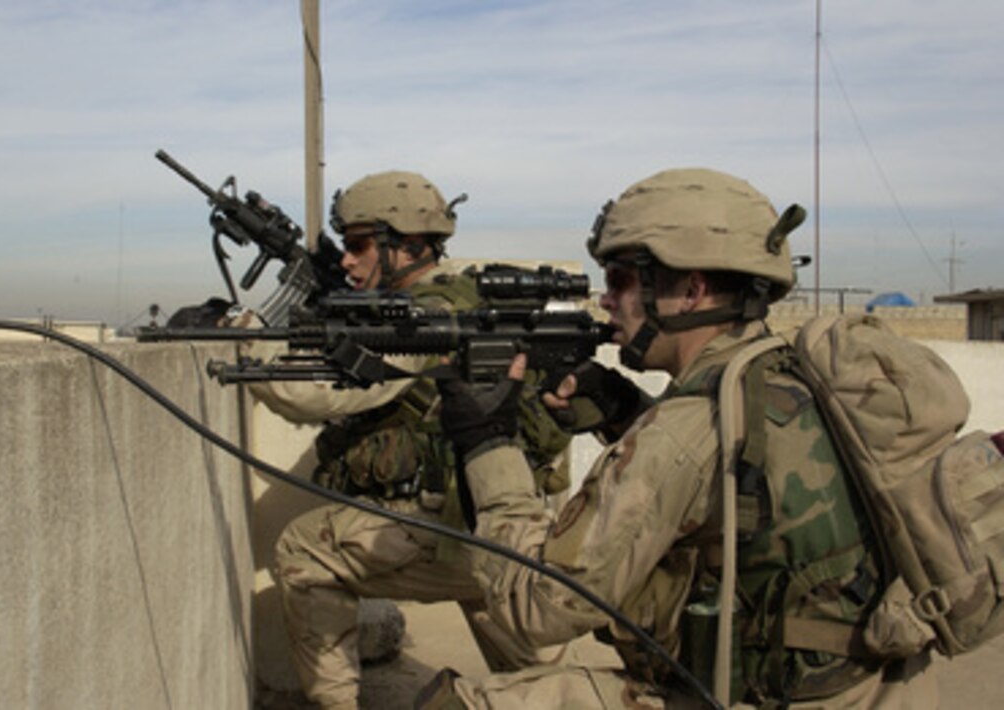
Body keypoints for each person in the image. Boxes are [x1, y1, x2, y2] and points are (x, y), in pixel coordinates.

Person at [420, 168, 938, 708]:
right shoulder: (784, 375)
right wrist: (624, 411)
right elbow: (729, 486)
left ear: (690, 292)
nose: (605, 301)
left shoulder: (685, 430)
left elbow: (536, 610)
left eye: (620, 279)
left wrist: (488, 443)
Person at [244, 170, 573, 709]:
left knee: (304, 550)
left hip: (446, 528)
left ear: (410, 245)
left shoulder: (425, 316)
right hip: (491, 521)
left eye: (358, 246)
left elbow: (320, 393)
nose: (347, 260)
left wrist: (251, 336)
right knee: (521, 645)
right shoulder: (457, 298)